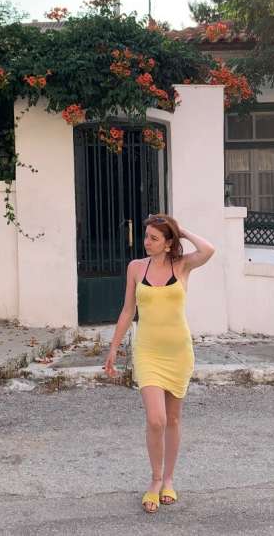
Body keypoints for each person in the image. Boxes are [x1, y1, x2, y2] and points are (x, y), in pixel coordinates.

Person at [104, 213, 215, 513]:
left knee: (173, 420)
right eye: (146, 237)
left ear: (168, 243)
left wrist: (181, 230)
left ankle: (169, 480)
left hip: (178, 352)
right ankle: (155, 480)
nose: (146, 242)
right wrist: (114, 348)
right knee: (157, 419)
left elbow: (208, 250)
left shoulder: (183, 265)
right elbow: (128, 311)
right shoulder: (136, 268)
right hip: (148, 352)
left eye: (154, 238)